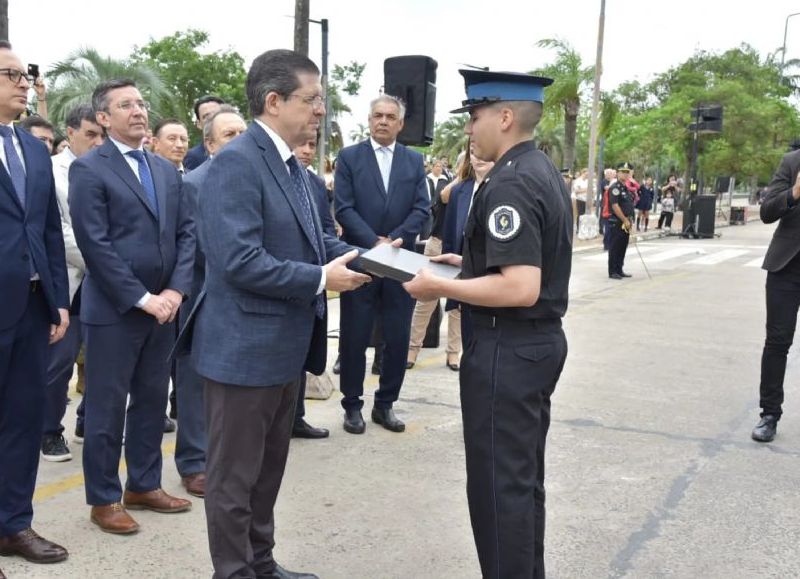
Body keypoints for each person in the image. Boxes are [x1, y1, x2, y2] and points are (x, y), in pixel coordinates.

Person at [187, 49, 370, 579]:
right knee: (233, 478)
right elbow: (238, 261)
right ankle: (235, 571)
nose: (320, 111)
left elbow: (320, 241)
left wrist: (379, 260)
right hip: (243, 351)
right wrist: (320, 279)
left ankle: (261, 564)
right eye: (311, 100)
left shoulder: (294, 170)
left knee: (266, 474)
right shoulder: (238, 164)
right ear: (273, 101)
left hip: (284, 348)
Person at [403, 68, 571, 579]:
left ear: (503, 117)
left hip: (508, 349)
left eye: (474, 117)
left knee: (499, 491)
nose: (469, 129)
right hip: (530, 346)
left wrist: (440, 287)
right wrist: (466, 267)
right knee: (520, 485)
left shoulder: (511, 182)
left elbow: (520, 287)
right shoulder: (537, 168)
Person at [69, 79, 195, 534]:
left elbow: (186, 234)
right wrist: (143, 299)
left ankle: (143, 485)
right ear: (103, 118)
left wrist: (176, 293)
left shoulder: (163, 169)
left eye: (141, 103)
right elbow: (95, 246)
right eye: (126, 105)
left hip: (165, 309)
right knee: (106, 407)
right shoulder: (90, 169)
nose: (139, 111)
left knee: (150, 401)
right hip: (117, 312)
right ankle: (103, 498)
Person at [0, 41, 70, 567]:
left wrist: (57, 300)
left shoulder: (31, 148)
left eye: (25, 75)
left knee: (23, 419)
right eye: (11, 74)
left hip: (29, 307)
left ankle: (14, 524)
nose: (24, 83)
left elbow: (46, 229)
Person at [334, 94, 429, 434]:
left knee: (397, 336)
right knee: (355, 336)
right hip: (361, 260)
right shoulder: (349, 158)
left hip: (401, 261)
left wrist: (397, 240)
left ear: (401, 124)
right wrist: (375, 242)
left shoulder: (414, 161)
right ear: (369, 119)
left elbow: (422, 208)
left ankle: (385, 404)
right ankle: (352, 405)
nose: (384, 121)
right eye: (378, 115)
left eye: (391, 116)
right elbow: (343, 207)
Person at [174, 105, 247, 498]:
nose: (238, 140)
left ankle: (224, 458)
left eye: (242, 132)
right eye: (229, 134)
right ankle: (193, 462)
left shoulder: (255, 178)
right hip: (203, 296)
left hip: (246, 301)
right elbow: (190, 245)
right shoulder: (193, 183)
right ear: (210, 143)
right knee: (193, 385)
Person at [42, 103, 105, 462]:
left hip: (104, 286)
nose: (98, 142)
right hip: (69, 282)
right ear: (70, 133)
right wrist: (105, 261)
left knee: (101, 362)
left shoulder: (108, 170)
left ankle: (88, 422)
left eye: (102, 135)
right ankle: (49, 431)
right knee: (59, 364)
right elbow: (60, 233)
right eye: (90, 134)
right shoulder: (51, 172)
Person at [752, 148, 800, 442]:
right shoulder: (792, 161)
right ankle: (769, 414)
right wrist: (794, 192)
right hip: (787, 268)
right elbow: (767, 211)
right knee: (777, 341)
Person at [292, 134, 337, 439]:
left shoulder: (316, 184)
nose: (307, 151)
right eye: (302, 145)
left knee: (305, 353)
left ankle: (296, 417)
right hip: (288, 281)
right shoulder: (272, 178)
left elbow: (325, 232)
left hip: (315, 282)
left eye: (312, 145)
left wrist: (364, 257)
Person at [407, 156, 461, 371]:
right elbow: (445, 197)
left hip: (462, 249)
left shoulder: (480, 189)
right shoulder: (449, 186)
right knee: (426, 300)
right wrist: (463, 175)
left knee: (457, 305)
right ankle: (412, 348)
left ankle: (454, 353)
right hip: (438, 245)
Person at [440, 141, 494, 348]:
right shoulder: (459, 192)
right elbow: (450, 241)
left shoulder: (507, 189)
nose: (478, 157)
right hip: (464, 286)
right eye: (473, 152)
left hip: (493, 288)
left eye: (483, 151)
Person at [607, 162, 635, 280]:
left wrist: (629, 219)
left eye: (627, 172)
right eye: (623, 172)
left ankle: (619, 269)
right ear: (617, 173)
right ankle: (613, 271)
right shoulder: (615, 188)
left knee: (623, 246)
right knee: (615, 247)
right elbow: (615, 206)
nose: (625, 174)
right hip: (617, 221)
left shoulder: (625, 188)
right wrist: (624, 219)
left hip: (626, 222)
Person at [184, 95, 224, 170]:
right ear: (199, 124)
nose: (213, 119)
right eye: (206, 117)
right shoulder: (193, 157)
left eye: (217, 114)